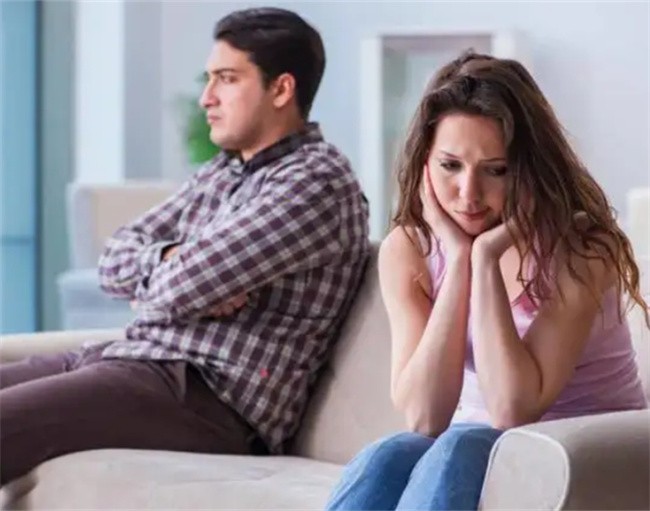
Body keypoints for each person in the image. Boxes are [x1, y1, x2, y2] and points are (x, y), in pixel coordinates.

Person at [0, 7, 370, 486]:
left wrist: (177, 275)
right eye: (209, 78)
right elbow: (113, 255)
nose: (206, 98)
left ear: (281, 89)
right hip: (137, 358)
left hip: (207, 392)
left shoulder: (315, 182)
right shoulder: (223, 171)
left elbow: (182, 286)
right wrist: (169, 259)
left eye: (227, 79)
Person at [325, 50, 648, 511]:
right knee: (392, 452)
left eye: (496, 170)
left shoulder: (582, 249)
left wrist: (486, 258)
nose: (469, 193)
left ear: (529, 170)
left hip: (579, 454)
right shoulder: (410, 250)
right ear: (424, 163)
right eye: (450, 166)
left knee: (464, 443)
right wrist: (459, 260)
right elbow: (424, 417)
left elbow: (513, 410)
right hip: (470, 451)